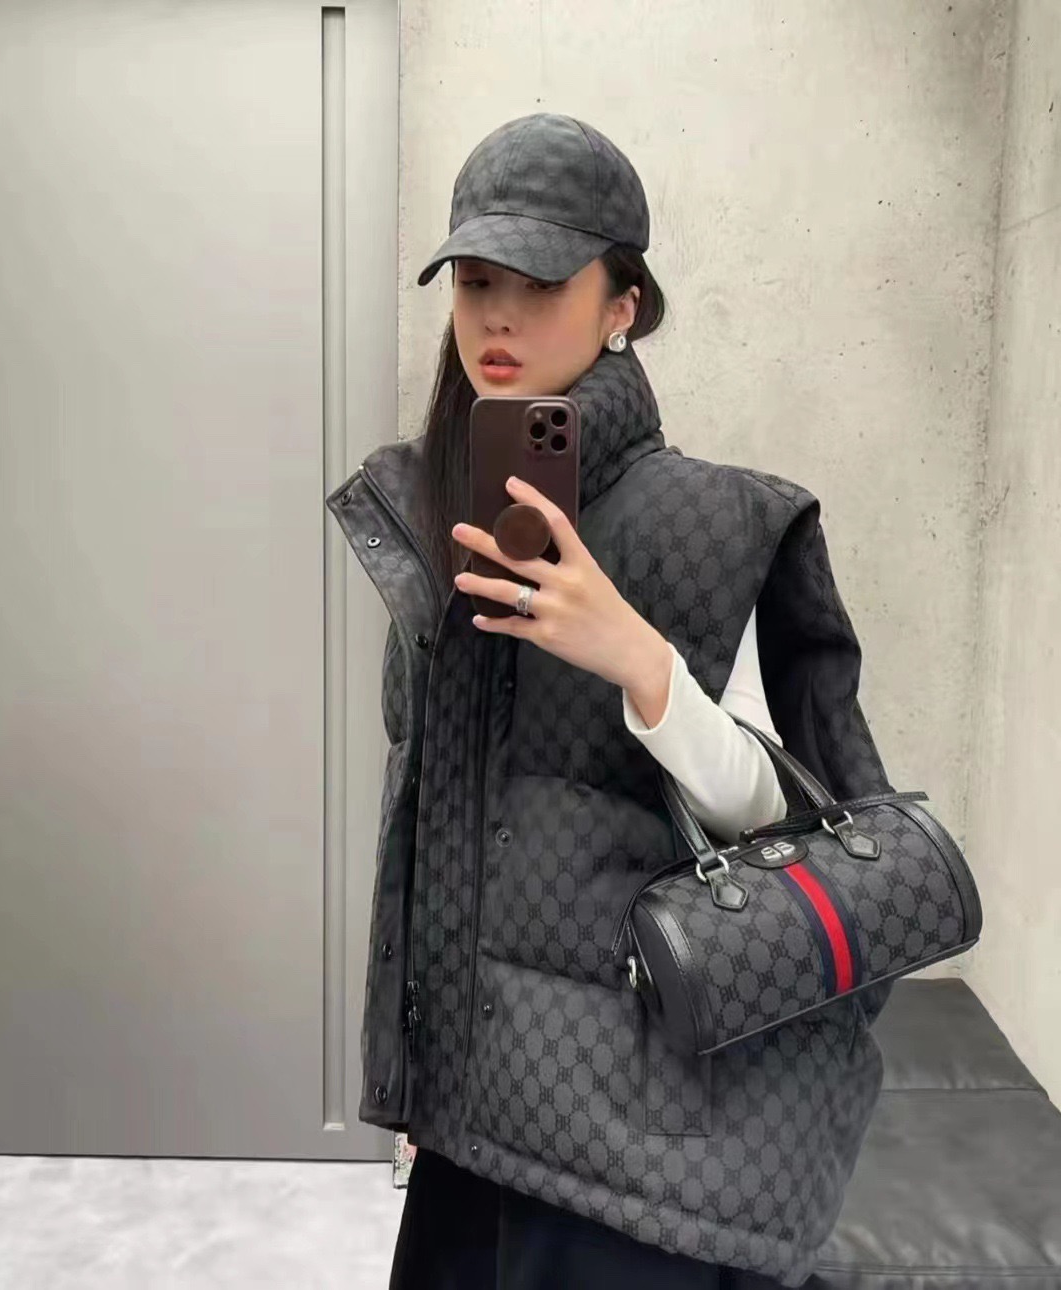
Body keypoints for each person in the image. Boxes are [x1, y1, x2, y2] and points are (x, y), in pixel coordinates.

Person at [327, 112, 895, 1288]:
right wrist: (418, 1073)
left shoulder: (723, 523)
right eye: (474, 281)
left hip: (635, 1150)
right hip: (473, 1126)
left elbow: (822, 835)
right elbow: (427, 824)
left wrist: (641, 664)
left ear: (622, 304)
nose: (496, 316)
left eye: (538, 282)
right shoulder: (432, 513)